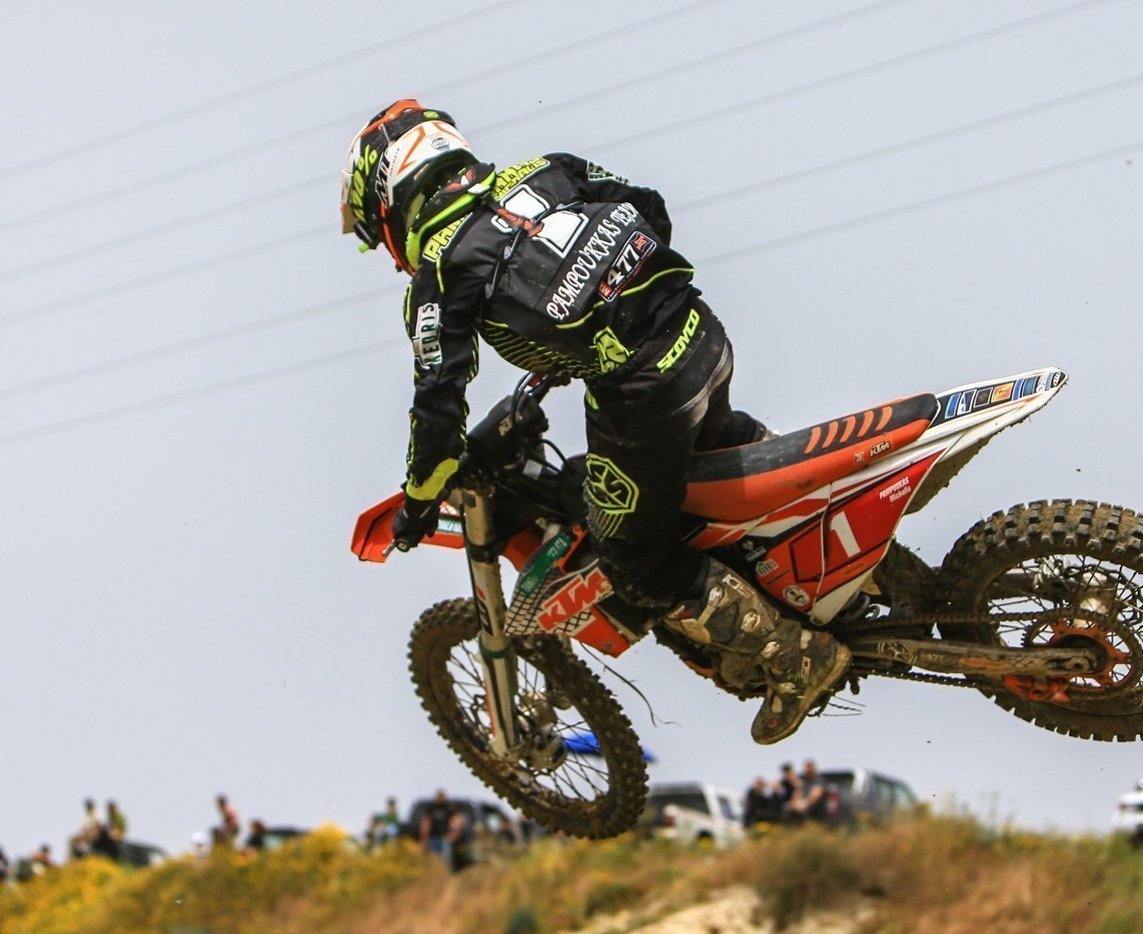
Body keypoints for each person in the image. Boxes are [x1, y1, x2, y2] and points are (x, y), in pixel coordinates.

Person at [338, 100, 849, 745]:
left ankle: (795, 656)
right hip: (700, 332)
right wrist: (602, 308)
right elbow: (647, 206)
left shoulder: (441, 270)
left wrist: (418, 501)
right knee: (702, 463)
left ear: (390, 195)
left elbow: (439, 402)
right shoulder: (547, 169)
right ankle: (824, 552)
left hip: (643, 392)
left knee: (632, 556)